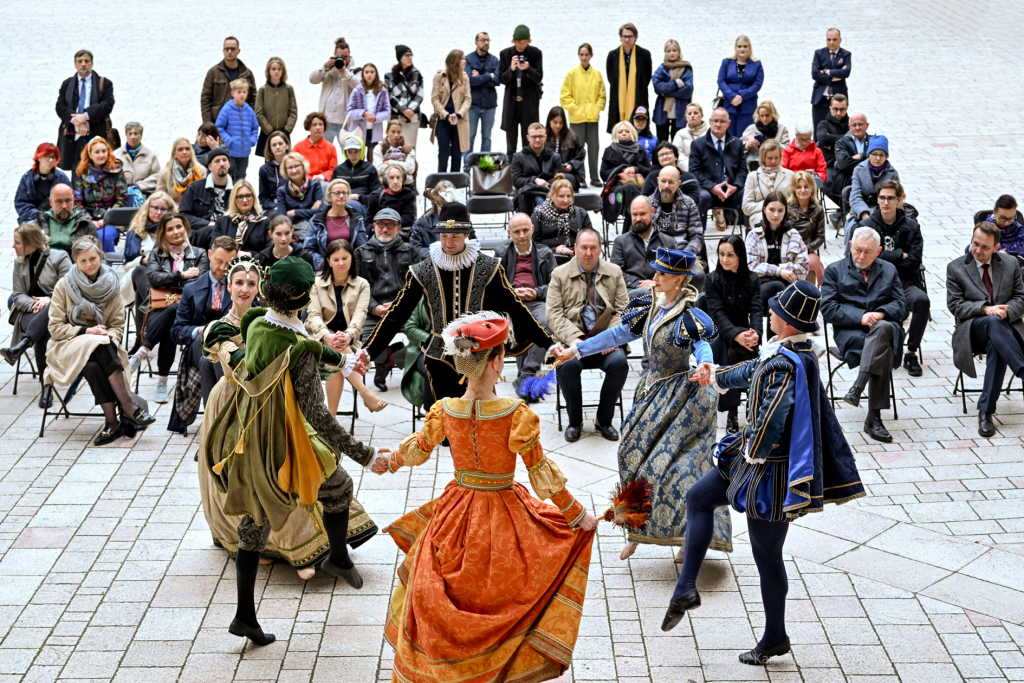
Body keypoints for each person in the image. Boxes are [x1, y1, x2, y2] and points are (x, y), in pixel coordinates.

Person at [378, 312, 596, 682]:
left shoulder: (445, 410)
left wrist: (389, 461)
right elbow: (540, 472)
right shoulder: (515, 413)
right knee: (504, 594)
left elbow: (417, 448)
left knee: (443, 588)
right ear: (496, 361)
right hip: (503, 514)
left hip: (455, 514)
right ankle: (495, 665)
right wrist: (577, 515)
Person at [675, 281, 865, 667]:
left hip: (769, 474)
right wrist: (714, 375)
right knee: (699, 499)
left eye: (776, 309)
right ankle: (686, 586)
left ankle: (774, 636)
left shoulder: (784, 362)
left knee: (767, 555)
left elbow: (771, 420)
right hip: (755, 464)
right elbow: (751, 370)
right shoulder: (787, 353)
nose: (770, 313)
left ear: (790, 322)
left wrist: (749, 448)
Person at [202, 256, 386, 646]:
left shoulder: (254, 323)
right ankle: (336, 556)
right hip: (284, 441)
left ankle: (245, 616)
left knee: (254, 524)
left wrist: (341, 358)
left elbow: (283, 361)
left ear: (267, 293)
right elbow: (318, 415)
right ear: (304, 300)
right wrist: (365, 453)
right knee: (338, 487)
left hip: (248, 436)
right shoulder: (300, 346)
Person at [562, 247, 728, 560]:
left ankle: (687, 537)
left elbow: (702, 345)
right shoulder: (649, 306)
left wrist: (707, 364)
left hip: (681, 396)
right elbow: (619, 334)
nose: (655, 278)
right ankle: (636, 529)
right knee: (631, 455)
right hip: (650, 391)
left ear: (679, 280)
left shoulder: (689, 315)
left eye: (662, 274)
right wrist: (579, 350)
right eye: (657, 272)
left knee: (679, 468)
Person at [363, 202, 555, 406]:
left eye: (455, 236)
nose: (449, 242)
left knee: (478, 420)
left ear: (466, 235)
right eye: (444, 236)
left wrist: (548, 343)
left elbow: (515, 308)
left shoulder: (488, 267)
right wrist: (368, 351)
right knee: (445, 421)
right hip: (439, 356)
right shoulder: (423, 270)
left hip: (479, 356)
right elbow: (397, 313)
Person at [45, 236, 156, 445]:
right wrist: (89, 331)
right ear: (75, 262)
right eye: (83, 261)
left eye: (93, 259)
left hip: (104, 348)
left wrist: (105, 336)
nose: (89, 264)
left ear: (100, 256)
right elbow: (55, 328)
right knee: (99, 344)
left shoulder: (111, 284)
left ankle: (112, 423)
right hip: (67, 346)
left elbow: (117, 325)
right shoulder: (64, 285)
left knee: (94, 365)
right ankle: (128, 406)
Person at [821, 227, 907, 442]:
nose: (861, 256)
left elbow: (901, 306)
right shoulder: (834, 270)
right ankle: (874, 418)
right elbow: (828, 308)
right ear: (850, 246)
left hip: (884, 328)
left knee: (884, 329)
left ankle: (857, 388)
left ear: (878, 251)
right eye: (857, 250)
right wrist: (861, 316)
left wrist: (879, 314)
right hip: (851, 333)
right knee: (883, 347)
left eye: (867, 252)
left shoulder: (889, 270)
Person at [547, 227, 629, 442]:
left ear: (601, 248)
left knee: (620, 364)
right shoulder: (559, 274)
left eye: (593, 248)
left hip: (606, 342)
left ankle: (604, 419)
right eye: (584, 248)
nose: (589, 253)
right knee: (568, 364)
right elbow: (553, 314)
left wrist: (611, 337)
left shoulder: (614, 272)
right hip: (573, 341)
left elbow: (623, 310)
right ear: (575, 248)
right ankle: (575, 421)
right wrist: (573, 338)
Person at [948, 223, 1024, 437]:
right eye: (975, 244)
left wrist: (1006, 312)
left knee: (997, 342)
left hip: (1005, 332)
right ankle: (1022, 370)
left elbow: (1021, 297)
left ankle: (985, 411)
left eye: (984, 247)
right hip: (973, 331)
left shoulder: (1010, 264)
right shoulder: (956, 268)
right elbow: (955, 306)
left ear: (996, 247)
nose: (978, 250)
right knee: (991, 323)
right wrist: (986, 309)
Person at [131, 212, 208, 403]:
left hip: (187, 308)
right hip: (161, 308)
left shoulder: (198, 253)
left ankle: (142, 352)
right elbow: (153, 278)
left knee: (175, 311)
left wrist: (171, 283)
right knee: (172, 318)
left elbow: (201, 281)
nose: (175, 232)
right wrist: (181, 276)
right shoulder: (157, 253)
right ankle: (162, 382)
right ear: (163, 233)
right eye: (170, 229)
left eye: (179, 227)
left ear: (186, 228)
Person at [306, 239, 387, 414]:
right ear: (328, 261)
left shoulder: (362, 284)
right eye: (336, 259)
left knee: (335, 362)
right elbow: (313, 315)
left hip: (349, 344)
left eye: (345, 258)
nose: (341, 263)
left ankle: (331, 420)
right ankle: (365, 393)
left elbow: (360, 314)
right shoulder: (316, 283)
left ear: (352, 259)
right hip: (319, 342)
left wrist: (349, 335)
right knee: (334, 354)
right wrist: (327, 336)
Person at [856, 180, 928, 376]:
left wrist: (881, 257)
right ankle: (876, 347)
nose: (886, 202)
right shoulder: (866, 226)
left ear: (899, 199)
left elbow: (914, 262)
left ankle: (911, 352)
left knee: (922, 301)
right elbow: (863, 259)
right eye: (882, 198)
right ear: (877, 200)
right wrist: (897, 254)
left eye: (890, 198)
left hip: (905, 281)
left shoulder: (911, 226)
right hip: (874, 282)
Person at [168, 236, 239, 428]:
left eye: (229, 263)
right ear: (209, 255)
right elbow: (176, 332)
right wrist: (203, 330)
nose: (223, 267)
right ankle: (225, 421)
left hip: (230, 348)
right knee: (211, 344)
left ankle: (214, 426)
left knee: (211, 359)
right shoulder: (191, 288)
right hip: (197, 346)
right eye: (219, 261)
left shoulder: (240, 286)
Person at [1, 222, 73, 408]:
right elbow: (17, 296)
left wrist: (49, 300)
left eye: (17, 242)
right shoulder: (19, 263)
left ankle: (22, 345)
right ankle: (46, 388)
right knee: (43, 333)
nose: (13, 246)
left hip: (60, 312)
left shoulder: (59, 257)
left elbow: (69, 288)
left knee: (43, 330)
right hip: (30, 313)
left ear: (31, 242)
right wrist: (36, 304)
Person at [356, 209, 422, 391]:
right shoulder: (361, 253)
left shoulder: (411, 251)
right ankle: (385, 359)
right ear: (374, 227)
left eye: (391, 225)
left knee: (424, 344)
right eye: (381, 225)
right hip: (373, 311)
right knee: (365, 348)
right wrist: (374, 307)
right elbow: (357, 288)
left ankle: (391, 359)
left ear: (399, 228)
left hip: (404, 310)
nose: (385, 229)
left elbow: (418, 286)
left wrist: (399, 305)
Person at [495, 214, 556, 398]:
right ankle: (527, 383)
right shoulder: (501, 253)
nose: (521, 235)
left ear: (532, 229)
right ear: (509, 233)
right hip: (511, 304)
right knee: (521, 323)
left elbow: (555, 285)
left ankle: (526, 375)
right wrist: (513, 292)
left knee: (544, 322)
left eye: (525, 230)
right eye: (516, 232)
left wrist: (536, 292)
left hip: (537, 301)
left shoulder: (545, 253)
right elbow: (495, 285)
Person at [704, 235, 761, 432]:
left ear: (740, 256)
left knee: (743, 354)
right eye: (721, 254)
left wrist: (756, 334)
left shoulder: (753, 279)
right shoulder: (711, 279)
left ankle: (741, 408)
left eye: (730, 255)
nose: (724, 259)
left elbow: (756, 310)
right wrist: (737, 336)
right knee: (731, 356)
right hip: (720, 333)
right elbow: (717, 314)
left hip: (745, 333)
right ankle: (733, 411)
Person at [746, 192, 809, 339]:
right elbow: (750, 265)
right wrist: (780, 271)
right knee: (777, 289)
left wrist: (769, 269)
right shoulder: (754, 234)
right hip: (759, 288)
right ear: (764, 209)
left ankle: (773, 343)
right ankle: (777, 343)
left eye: (780, 210)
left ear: (785, 211)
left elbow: (803, 267)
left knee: (780, 293)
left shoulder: (793, 234)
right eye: (771, 209)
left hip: (787, 288)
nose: (776, 214)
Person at [55, 50, 115, 172]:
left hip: (96, 133)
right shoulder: (67, 84)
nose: (83, 64)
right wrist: (76, 120)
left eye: (86, 61)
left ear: (92, 63)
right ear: (75, 64)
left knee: (98, 170)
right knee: (76, 171)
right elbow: (60, 106)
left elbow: (107, 105)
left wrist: (86, 115)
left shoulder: (104, 83)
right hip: (73, 134)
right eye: (80, 61)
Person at [689, 108, 747, 231]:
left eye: (722, 121)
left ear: (728, 123)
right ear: (710, 121)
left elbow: (743, 170)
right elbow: (694, 172)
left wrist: (735, 186)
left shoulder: (737, 143)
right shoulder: (697, 145)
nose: (718, 124)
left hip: (732, 190)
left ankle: (750, 240)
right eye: (715, 121)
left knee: (748, 195)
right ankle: (698, 239)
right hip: (708, 191)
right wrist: (712, 187)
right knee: (701, 197)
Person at [612, 196, 678, 296]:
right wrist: (641, 284)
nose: (638, 219)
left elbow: (674, 273)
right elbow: (616, 274)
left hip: (662, 291)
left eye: (642, 214)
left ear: (652, 212)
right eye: (634, 214)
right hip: (631, 292)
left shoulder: (668, 242)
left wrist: (656, 284)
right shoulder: (620, 242)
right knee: (642, 292)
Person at [560, 43, 606, 187]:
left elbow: (602, 95)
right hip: (577, 118)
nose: (584, 57)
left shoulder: (597, 74)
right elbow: (564, 95)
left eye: (587, 54)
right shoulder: (572, 73)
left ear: (591, 55)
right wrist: (575, 108)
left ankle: (594, 176)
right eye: (582, 54)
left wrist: (596, 108)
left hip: (592, 118)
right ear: (578, 55)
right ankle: (580, 177)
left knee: (594, 147)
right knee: (578, 149)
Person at [73, 136, 127, 254]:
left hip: (113, 217)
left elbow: (122, 199)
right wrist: (89, 220)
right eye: (97, 152)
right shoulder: (82, 173)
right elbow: (77, 202)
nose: (101, 155)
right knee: (86, 237)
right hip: (88, 218)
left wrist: (106, 219)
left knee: (103, 237)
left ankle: (106, 268)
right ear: (90, 154)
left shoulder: (116, 171)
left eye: (104, 151)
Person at [599, 121, 653, 229]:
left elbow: (650, 171)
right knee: (629, 188)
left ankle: (628, 235)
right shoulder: (609, 150)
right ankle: (632, 231)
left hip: (639, 188)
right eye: (620, 132)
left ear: (632, 133)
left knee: (630, 189)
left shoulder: (640, 150)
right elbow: (603, 174)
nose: (624, 133)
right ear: (615, 134)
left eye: (627, 131)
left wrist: (636, 168)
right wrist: (622, 170)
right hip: (616, 190)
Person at [305, 179, 369, 269]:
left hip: (350, 268)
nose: (341, 196)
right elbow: (309, 249)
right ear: (329, 197)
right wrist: (327, 264)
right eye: (337, 193)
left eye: (344, 193)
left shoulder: (357, 219)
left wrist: (348, 264)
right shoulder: (317, 220)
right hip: (324, 269)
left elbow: (361, 248)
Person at [650, 166, 704, 273]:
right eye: (663, 181)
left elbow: (697, 236)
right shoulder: (648, 203)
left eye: (671, 182)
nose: (666, 186)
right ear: (658, 181)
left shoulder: (689, 204)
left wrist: (683, 255)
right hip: (656, 256)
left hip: (682, 254)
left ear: (678, 184)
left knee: (698, 275)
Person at [499, 25, 543, 154]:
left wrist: (528, 69)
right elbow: (502, 79)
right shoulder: (505, 54)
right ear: (514, 41)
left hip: (528, 104)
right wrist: (511, 69)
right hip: (512, 104)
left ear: (528, 41)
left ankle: (527, 171)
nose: (521, 45)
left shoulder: (535, 53)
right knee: (511, 144)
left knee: (528, 142)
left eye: (524, 42)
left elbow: (539, 77)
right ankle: (512, 171)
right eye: (519, 42)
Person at [845, 135, 899, 240]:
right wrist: (865, 215)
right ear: (869, 154)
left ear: (886, 156)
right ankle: (851, 255)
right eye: (874, 154)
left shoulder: (892, 174)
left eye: (881, 155)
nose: (878, 158)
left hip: (884, 212)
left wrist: (881, 215)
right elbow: (855, 196)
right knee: (853, 229)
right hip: (860, 212)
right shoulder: (859, 170)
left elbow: (895, 198)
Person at [195, 181, 270, 255]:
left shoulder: (264, 222)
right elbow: (215, 248)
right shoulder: (222, 222)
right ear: (234, 200)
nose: (245, 200)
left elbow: (268, 252)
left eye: (248, 195)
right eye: (240, 196)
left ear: (253, 198)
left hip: (254, 263)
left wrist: (250, 255)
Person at [310, 37, 360, 147]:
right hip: (327, 121)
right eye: (339, 56)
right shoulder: (328, 69)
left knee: (348, 152)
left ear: (350, 55)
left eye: (345, 56)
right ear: (334, 55)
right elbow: (312, 80)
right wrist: (325, 66)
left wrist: (343, 71)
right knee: (323, 152)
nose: (343, 59)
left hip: (346, 122)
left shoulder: (355, 71)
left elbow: (358, 86)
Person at [409, 181, 478, 258]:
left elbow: (474, 244)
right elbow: (415, 249)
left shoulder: (462, 221)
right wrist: (437, 253)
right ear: (436, 202)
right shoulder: (421, 223)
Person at [606, 23, 652, 134]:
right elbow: (611, 78)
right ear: (620, 37)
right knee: (618, 133)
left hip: (638, 97)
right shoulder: (613, 55)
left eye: (630, 36)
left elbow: (647, 77)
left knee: (639, 132)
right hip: (618, 98)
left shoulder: (644, 54)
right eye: (624, 36)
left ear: (635, 37)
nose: (627, 39)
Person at [531, 176, 593, 257]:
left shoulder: (580, 213)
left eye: (568, 196)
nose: (566, 200)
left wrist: (576, 250)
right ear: (552, 196)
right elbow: (533, 243)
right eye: (561, 196)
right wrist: (554, 249)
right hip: (548, 257)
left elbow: (590, 239)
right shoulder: (539, 214)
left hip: (576, 257)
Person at [430, 50, 471, 173]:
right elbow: (434, 99)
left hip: (459, 120)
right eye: (462, 59)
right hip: (443, 120)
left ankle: (455, 185)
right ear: (453, 61)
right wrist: (446, 115)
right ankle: (441, 183)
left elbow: (468, 99)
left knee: (457, 155)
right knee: (443, 153)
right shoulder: (439, 77)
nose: (465, 61)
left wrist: (458, 114)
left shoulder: (464, 77)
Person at [201, 36, 256, 125]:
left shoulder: (247, 74)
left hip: (241, 122)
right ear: (223, 51)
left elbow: (254, 98)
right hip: (218, 122)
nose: (229, 52)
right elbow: (205, 99)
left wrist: (249, 118)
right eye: (227, 49)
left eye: (233, 49)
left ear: (238, 51)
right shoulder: (213, 73)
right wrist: (208, 124)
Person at [718, 36, 764, 137]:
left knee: (745, 136)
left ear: (750, 48)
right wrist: (732, 96)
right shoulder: (727, 62)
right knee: (728, 136)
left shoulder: (757, 64)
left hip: (748, 106)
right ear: (735, 48)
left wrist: (741, 96)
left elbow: (757, 84)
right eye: (739, 46)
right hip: (729, 105)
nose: (742, 49)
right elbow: (721, 81)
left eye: (745, 46)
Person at [464, 32, 500, 163]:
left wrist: (479, 76)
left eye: (488, 40)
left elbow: (497, 81)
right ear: (476, 42)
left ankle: (484, 167)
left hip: (489, 106)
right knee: (470, 137)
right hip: (472, 106)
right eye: (483, 40)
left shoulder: (494, 60)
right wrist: (487, 76)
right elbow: (468, 80)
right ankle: (467, 167)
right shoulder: (468, 59)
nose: (486, 43)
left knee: (486, 138)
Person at [512, 123, 562, 213]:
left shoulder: (555, 157)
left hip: (548, 192)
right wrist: (535, 180)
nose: (537, 140)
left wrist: (543, 185)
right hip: (526, 194)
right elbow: (516, 181)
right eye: (534, 137)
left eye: (540, 136)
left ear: (545, 137)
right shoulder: (518, 157)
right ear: (528, 138)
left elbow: (558, 180)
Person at [215, 79, 260, 182]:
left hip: (244, 153)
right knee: (229, 176)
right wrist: (229, 140)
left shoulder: (249, 110)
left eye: (244, 92)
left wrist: (252, 140)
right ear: (233, 93)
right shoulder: (227, 109)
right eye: (239, 92)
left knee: (241, 177)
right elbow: (219, 126)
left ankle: (239, 195)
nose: (242, 95)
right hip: (230, 152)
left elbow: (255, 127)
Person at [811, 29, 851, 141]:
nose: (831, 42)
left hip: (837, 101)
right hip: (820, 100)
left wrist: (827, 72)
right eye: (828, 39)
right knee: (818, 130)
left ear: (840, 40)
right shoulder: (819, 53)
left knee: (839, 129)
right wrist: (834, 76)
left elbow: (846, 72)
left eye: (834, 39)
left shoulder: (845, 54)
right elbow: (814, 73)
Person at [16, 144, 71, 224]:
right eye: (47, 156)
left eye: (53, 157)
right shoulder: (27, 179)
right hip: (32, 218)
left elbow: (70, 201)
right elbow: (22, 204)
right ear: (38, 157)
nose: (51, 160)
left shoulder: (62, 178)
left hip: (57, 217)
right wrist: (39, 216)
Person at [179, 148, 233, 230]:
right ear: (210, 167)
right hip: (203, 231)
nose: (222, 164)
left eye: (224, 160)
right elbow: (183, 215)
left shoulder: (238, 189)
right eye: (217, 161)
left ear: (229, 164)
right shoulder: (194, 188)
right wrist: (207, 224)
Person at [254, 57, 297, 159]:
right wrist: (270, 131)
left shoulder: (288, 89)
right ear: (269, 71)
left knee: (285, 163)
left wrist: (287, 130)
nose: (276, 72)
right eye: (273, 69)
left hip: (284, 133)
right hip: (267, 134)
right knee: (269, 164)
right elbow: (259, 113)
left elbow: (293, 112)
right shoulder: (263, 90)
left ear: (283, 71)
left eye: (279, 69)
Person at [788, 171, 826, 286]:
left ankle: (810, 297)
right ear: (794, 189)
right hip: (789, 250)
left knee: (811, 261)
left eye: (806, 186)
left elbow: (820, 237)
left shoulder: (818, 210)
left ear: (812, 189)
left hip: (808, 249)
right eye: (798, 187)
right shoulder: (786, 208)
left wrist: (805, 249)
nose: (802, 190)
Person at [274, 153, 324, 240]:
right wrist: (311, 211)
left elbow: (321, 211)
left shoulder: (315, 185)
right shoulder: (281, 190)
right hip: (293, 229)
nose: (294, 170)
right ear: (286, 170)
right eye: (290, 167)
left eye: (297, 166)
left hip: (314, 226)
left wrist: (295, 212)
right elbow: (282, 218)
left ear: (303, 166)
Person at [652, 39, 693, 142]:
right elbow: (657, 87)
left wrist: (665, 91)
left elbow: (688, 90)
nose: (672, 53)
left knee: (678, 144)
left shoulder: (686, 68)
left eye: (674, 50)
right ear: (665, 52)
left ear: (679, 51)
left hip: (680, 112)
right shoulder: (662, 68)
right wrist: (676, 83)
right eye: (669, 51)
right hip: (662, 112)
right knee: (662, 143)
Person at [742, 140, 794, 222]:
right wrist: (768, 205)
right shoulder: (752, 176)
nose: (773, 161)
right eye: (770, 158)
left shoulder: (790, 175)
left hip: (785, 216)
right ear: (763, 157)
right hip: (761, 217)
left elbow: (796, 202)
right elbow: (746, 207)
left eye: (776, 158)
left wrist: (782, 206)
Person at [39, 183, 97, 255]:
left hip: (75, 263)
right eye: (59, 201)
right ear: (51, 202)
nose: (64, 206)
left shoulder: (85, 223)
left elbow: (97, 253)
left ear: (73, 200)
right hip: (47, 263)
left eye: (68, 200)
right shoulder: (40, 222)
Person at [346, 63, 390, 156]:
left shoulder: (382, 91)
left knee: (372, 158)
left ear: (376, 74)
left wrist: (376, 118)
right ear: (363, 74)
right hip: (359, 130)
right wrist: (363, 113)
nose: (369, 75)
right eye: (366, 72)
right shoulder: (357, 90)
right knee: (358, 158)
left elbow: (387, 111)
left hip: (375, 129)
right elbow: (349, 112)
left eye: (372, 72)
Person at [385, 45, 425, 147]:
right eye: (406, 55)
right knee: (394, 149)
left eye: (411, 55)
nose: (410, 58)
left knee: (410, 149)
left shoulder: (417, 74)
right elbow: (389, 95)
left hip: (413, 118)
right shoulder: (390, 75)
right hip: (396, 118)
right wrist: (403, 110)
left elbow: (419, 95)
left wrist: (410, 111)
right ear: (400, 58)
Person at [330, 134, 380, 210]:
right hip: (339, 202)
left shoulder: (370, 169)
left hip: (362, 204)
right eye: (350, 152)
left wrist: (358, 197)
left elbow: (376, 194)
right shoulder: (338, 169)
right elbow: (331, 192)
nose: (353, 155)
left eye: (356, 151)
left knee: (349, 206)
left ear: (362, 150)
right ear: (345, 152)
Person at [124, 191, 175, 264]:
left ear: (169, 211)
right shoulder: (135, 229)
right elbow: (126, 265)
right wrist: (141, 261)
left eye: (163, 209)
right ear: (148, 208)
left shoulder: (176, 230)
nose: (159, 212)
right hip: (138, 270)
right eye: (155, 208)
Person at [832, 112, 872, 204]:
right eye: (854, 125)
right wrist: (868, 160)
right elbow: (844, 164)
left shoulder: (874, 141)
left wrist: (861, 155)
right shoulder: (841, 143)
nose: (857, 128)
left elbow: (879, 160)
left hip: (871, 179)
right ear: (849, 127)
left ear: (867, 125)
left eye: (860, 124)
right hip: (849, 179)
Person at [982, 195, 1024, 276]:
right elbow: (974, 254)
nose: (1006, 222)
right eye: (1003, 218)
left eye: (1011, 218)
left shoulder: (1019, 231)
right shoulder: (984, 231)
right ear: (995, 211)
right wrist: (995, 255)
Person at [546, 106, 586, 190]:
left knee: (566, 181)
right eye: (555, 122)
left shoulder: (572, 137)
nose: (558, 125)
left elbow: (580, 155)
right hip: (548, 174)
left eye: (561, 122)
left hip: (568, 174)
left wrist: (571, 166)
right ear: (549, 121)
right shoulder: (543, 137)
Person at [114, 122, 160, 194]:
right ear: (126, 136)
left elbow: (157, 175)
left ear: (141, 136)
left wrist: (139, 185)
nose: (133, 137)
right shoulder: (116, 155)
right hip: (122, 194)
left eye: (136, 134)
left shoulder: (151, 155)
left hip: (145, 193)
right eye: (130, 134)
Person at [157, 138, 207, 204]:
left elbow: (204, 194)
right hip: (173, 209)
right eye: (180, 150)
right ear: (174, 154)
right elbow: (159, 195)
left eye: (187, 149)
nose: (184, 152)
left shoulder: (201, 171)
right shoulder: (165, 173)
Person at [816, 94, 849, 197]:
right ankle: (843, 208)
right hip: (830, 164)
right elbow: (823, 138)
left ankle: (844, 209)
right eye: (835, 109)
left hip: (848, 164)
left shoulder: (851, 124)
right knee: (825, 183)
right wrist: (845, 140)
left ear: (846, 109)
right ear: (830, 108)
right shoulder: (823, 124)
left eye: (842, 109)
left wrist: (833, 141)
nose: (839, 113)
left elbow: (855, 138)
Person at [366, 165, 417, 229]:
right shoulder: (375, 196)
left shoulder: (409, 195)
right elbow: (368, 223)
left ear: (403, 179)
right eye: (391, 178)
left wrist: (389, 226)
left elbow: (408, 219)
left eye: (398, 178)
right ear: (386, 179)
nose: (395, 182)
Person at [741, 101, 791, 165]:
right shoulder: (751, 129)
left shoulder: (782, 129)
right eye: (762, 116)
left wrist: (773, 145)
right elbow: (739, 147)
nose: (764, 119)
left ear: (773, 114)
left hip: (776, 162)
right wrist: (747, 145)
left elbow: (787, 148)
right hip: (755, 162)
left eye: (767, 115)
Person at [292, 112, 337, 182]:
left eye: (320, 124)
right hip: (303, 182)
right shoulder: (298, 147)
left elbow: (333, 169)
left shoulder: (331, 148)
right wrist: (310, 179)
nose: (318, 128)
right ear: (309, 127)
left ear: (324, 127)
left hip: (324, 182)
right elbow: (294, 168)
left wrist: (321, 177)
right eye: (314, 125)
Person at [372, 120, 417, 187]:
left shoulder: (409, 148)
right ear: (386, 132)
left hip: (404, 185)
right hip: (384, 185)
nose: (396, 135)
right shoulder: (379, 148)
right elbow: (378, 169)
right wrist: (402, 166)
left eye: (398, 132)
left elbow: (410, 169)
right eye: (393, 132)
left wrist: (390, 162)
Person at [257, 131, 291, 211]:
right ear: (270, 149)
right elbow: (263, 197)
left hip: (294, 205)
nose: (278, 147)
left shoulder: (294, 165)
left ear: (287, 146)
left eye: (280, 143)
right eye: (274, 145)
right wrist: (276, 207)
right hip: (274, 207)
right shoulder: (264, 170)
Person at [672, 103, 709, 172]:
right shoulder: (680, 134)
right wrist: (692, 168)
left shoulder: (710, 133)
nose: (692, 115)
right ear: (686, 117)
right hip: (688, 171)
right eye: (689, 114)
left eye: (695, 113)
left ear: (702, 116)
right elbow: (678, 155)